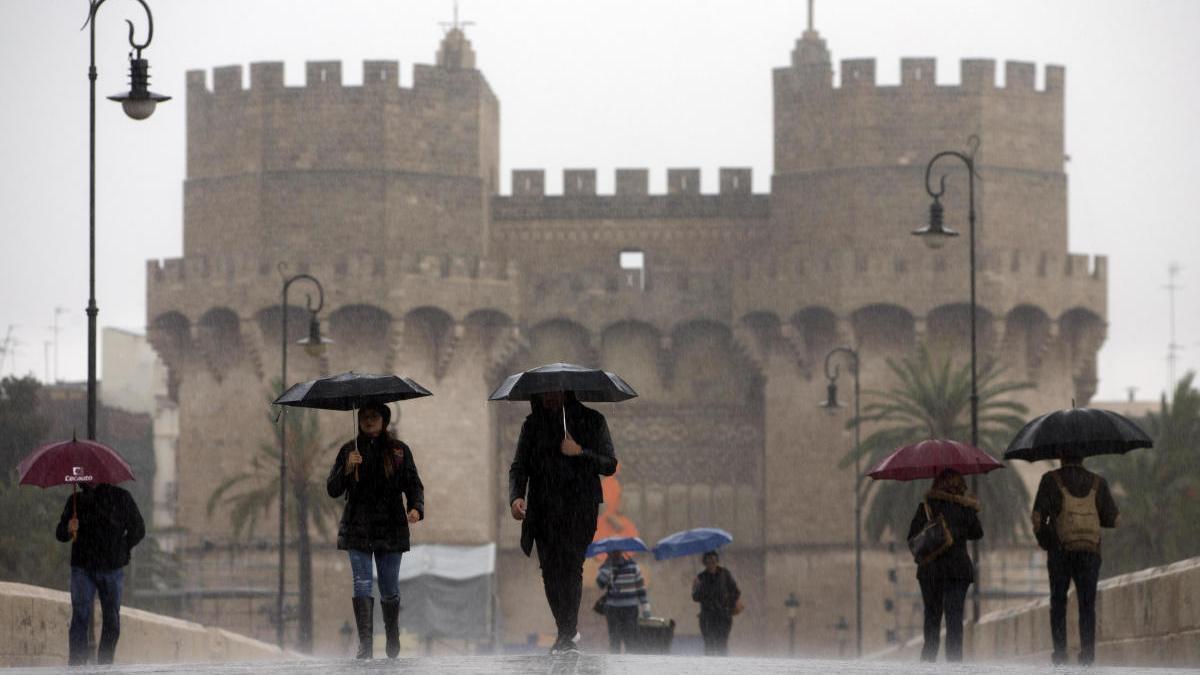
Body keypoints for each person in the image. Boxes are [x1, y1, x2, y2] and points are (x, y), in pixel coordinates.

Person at [509, 390, 617, 655]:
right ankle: (565, 629)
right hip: (543, 510)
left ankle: (567, 632)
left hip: (578, 508)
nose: (549, 398)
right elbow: (519, 466)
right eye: (544, 393)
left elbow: (609, 464)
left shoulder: (592, 420)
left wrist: (580, 452)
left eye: (554, 392)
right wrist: (516, 497)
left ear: (566, 391)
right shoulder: (533, 425)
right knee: (550, 571)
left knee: (571, 567)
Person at [327, 403, 424, 660]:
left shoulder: (399, 451)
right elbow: (333, 488)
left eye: (374, 417)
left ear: (384, 421)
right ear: (358, 421)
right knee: (361, 582)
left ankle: (392, 637)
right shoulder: (349, 450)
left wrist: (416, 507)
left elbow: (413, 483)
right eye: (364, 417)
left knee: (389, 588)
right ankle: (365, 645)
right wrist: (347, 467)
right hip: (358, 527)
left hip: (391, 527)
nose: (369, 421)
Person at [1031, 447, 1119, 666]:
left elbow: (1037, 518)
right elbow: (1114, 520)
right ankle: (1087, 655)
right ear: (1084, 457)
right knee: (1087, 604)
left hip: (1060, 552)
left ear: (1061, 457)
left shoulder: (1050, 480)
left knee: (1058, 602)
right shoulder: (1098, 483)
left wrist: (1047, 542)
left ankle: (1060, 655)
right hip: (1090, 552)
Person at [54, 481, 145, 666]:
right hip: (82, 567)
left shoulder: (121, 498)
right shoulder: (75, 501)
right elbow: (60, 534)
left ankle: (105, 664)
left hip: (112, 568)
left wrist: (122, 549)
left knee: (111, 618)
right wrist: (69, 529)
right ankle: (77, 664)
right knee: (81, 616)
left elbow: (138, 529)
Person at [906, 468, 983, 663]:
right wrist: (972, 507)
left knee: (932, 620)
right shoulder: (964, 509)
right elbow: (977, 532)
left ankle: (928, 663)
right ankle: (954, 666)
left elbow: (912, 539)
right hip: (957, 572)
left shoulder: (925, 507)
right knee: (954, 621)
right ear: (958, 486)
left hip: (930, 572)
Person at [595, 550, 651, 654]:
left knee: (630, 639)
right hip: (612, 609)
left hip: (630, 609)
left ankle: (630, 665)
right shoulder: (606, 566)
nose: (613, 554)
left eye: (616, 551)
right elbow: (600, 584)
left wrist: (645, 606)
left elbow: (640, 588)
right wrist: (607, 567)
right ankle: (615, 665)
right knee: (615, 640)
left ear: (621, 552)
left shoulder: (633, 566)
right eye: (611, 552)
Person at [691, 550, 740, 656]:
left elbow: (736, 592)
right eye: (708, 562)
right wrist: (696, 587)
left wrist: (728, 602)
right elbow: (696, 597)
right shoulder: (701, 577)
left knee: (722, 644)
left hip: (723, 616)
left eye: (714, 561)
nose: (711, 564)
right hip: (707, 617)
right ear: (704, 563)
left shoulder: (725, 574)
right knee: (709, 645)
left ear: (717, 561)